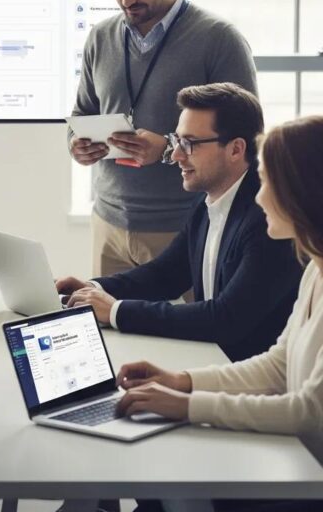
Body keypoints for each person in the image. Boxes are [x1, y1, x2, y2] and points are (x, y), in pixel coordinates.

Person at [116, 115, 323, 512]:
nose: (259, 198)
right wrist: (182, 382)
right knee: (161, 479)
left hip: (309, 482)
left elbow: (308, 413)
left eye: (269, 184)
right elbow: (277, 368)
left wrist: (188, 405)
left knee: (175, 477)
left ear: (303, 192)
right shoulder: (314, 268)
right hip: (297, 461)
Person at [58, 83, 301, 362]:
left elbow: (225, 318)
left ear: (235, 150)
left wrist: (115, 311)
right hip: (214, 364)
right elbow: (167, 274)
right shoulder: (207, 200)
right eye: (177, 141)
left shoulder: (270, 219)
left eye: (190, 144)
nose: (175, 155)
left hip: (256, 386)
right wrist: (94, 288)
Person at [70, 0, 258, 278]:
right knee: (107, 329)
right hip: (107, 223)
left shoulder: (219, 39)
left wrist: (170, 147)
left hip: (184, 226)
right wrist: (76, 145)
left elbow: (247, 136)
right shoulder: (100, 36)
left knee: (185, 334)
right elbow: (84, 110)